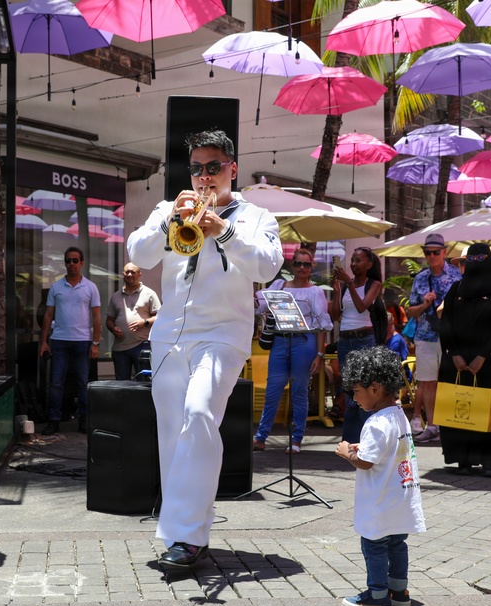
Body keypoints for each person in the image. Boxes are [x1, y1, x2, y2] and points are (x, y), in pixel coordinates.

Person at [127, 129, 282, 570]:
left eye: (212, 167)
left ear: (232, 168)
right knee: (171, 431)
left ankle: (190, 534)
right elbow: (139, 252)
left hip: (222, 333)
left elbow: (269, 266)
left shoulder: (255, 217)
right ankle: (184, 530)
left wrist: (226, 232)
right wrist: (168, 220)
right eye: (196, 168)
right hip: (170, 334)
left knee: (198, 414)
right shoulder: (168, 207)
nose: (203, 177)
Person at [335, 347, 425, 606]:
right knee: (397, 544)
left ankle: (377, 596)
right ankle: (399, 592)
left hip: (380, 500)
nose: (354, 398)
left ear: (374, 388)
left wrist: (347, 453)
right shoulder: (398, 415)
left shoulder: (375, 422)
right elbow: (386, 449)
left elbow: (366, 462)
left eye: (357, 391)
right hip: (400, 498)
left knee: (373, 544)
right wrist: (362, 447)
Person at [437, 243, 491, 477]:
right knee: (460, 408)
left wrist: (484, 355)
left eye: (481, 258)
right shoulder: (456, 289)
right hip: (458, 363)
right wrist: (455, 354)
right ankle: (463, 459)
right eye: (471, 258)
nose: (475, 263)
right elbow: (446, 324)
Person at [253, 247, 332, 454]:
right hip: (280, 341)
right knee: (273, 390)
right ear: (292, 265)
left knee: (299, 392)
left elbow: (322, 326)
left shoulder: (315, 292)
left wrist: (320, 354)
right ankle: (261, 437)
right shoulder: (279, 285)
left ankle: (296, 439)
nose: (302, 267)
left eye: (307, 264)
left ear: (312, 266)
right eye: (298, 263)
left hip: (304, 343)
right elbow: (257, 302)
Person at [406, 233, 462, 443]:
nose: (431, 256)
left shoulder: (457, 276)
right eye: (427, 252)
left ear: (445, 253)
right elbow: (411, 311)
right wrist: (425, 304)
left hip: (451, 336)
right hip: (425, 335)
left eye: (436, 252)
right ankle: (432, 425)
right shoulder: (420, 278)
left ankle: (450, 424)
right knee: (428, 382)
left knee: (449, 381)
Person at [39, 247, 101, 434]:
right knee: (56, 383)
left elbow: (97, 317)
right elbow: (48, 315)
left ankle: (83, 420)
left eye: (75, 260)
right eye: (68, 261)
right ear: (64, 263)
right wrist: (43, 342)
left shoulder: (90, 287)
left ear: (82, 263)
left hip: (82, 341)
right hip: (59, 340)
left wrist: (96, 343)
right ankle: (54, 420)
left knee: (83, 383)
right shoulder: (56, 287)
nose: (71, 264)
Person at [331, 247, 384, 442]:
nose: (353, 264)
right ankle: (352, 440)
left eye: (358, 261)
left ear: (369, 265)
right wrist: (337, 292)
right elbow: (336, 316)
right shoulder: (346, 286)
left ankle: (369, 440)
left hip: (364, 339)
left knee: (364, 388)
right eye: (352, 260)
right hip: (345, 340)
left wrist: (348, 284)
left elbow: (363, 307)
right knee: (349, 390)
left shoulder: (374, 284)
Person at [105, 262, 160, 381]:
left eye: (133, 272)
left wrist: (144, 322)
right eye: (127, 272)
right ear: (123, 274)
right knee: (121, 386)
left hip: (141, 345)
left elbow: (160, 317)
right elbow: (109, 320)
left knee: (143, 384)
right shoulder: (116, 296)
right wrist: (113, 328)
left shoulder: (149, 294)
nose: (130, 274)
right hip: (120, 349)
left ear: (140, 274)